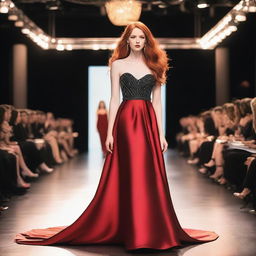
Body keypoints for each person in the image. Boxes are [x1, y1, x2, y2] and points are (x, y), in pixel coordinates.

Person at [14, 22, 218, 251]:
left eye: (142, 37)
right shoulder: (117, 65)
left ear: (146, 40)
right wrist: (110, 132)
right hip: (125, 120)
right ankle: (129, 227)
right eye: (134, 37)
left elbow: (158, 102)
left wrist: (161, 133)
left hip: (148, 121)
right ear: (127, 40)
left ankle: (150, 227)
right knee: (128, 169)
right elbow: (113, 99)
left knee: (148, 171)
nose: (138, 40)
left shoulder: (156, 65)